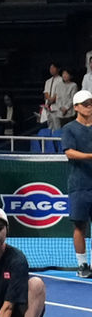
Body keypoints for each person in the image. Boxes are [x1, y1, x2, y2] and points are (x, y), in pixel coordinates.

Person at [62, 90, 92, 278]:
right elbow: (69, 152)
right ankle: (83, 266)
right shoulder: (69, 129)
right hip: (80, 184)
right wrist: (90, 156)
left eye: (90, 103)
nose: (89, 106)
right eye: (85, 103)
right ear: (76, 107)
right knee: (80, 226)